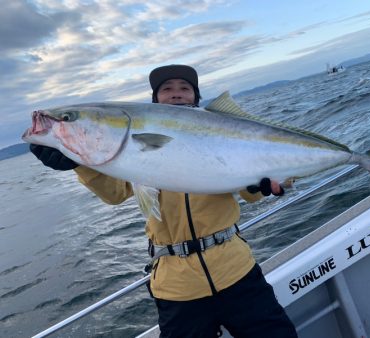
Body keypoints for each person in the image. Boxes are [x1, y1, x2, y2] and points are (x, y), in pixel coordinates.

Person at [30, 64, 297, 338]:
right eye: (167, 89)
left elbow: (250, 193)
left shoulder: (221, 133)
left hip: (236, 271)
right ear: (155, 99)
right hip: (176, 287)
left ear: (196, 96)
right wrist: (79, 163)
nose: (176, 94)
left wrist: (267, 182)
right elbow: (115, 193)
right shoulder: (133, 151)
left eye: (185, 88)